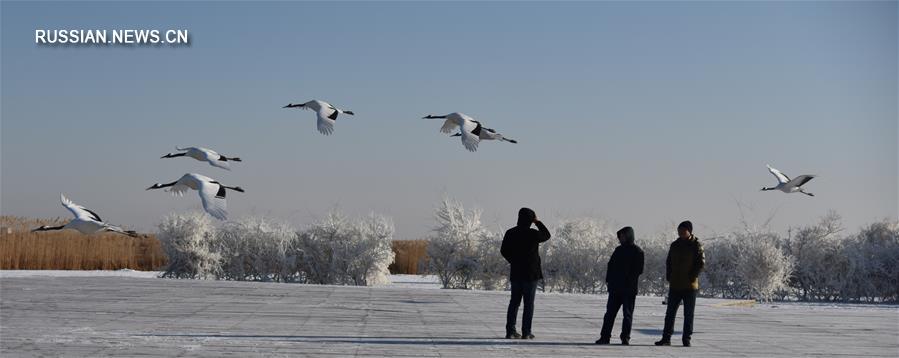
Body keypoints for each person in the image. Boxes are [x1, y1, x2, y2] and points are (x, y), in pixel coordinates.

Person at [500, 207, 551, 340]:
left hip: (516, 272)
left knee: (514, 303)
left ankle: (510, 331)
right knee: (529, 304)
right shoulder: (533, 233)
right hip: (531, 273)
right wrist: (538, 222)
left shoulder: (510, 233)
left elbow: (503, 250)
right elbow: (547, 235)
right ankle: (526, 332)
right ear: (531, 219)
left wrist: (513, 261)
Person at [655, 220, 705, 347]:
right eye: (679, 231)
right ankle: (666, 338)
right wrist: (669, 275)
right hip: (675, 284)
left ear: (689, 231)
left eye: (683, 231)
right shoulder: (674, 245)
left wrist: (692, 275)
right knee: (670, 313)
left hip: (689, 285)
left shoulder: (696, 245)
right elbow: (668, 262)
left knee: (688, 314)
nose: (681, 233)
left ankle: (686, 338)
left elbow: (701, 263)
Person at [596, 226, 644, 345]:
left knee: (627, 315)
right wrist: (609, 281)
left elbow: (638, 270)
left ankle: (625, 337)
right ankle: (605, 337)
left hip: (629, 290)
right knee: (609, 314)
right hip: (615, 289)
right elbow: (610, 265)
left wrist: (627, 281)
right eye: (620, 236)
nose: (621, 238)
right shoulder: (618, 250)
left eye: (623, 236)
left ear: (628, 236)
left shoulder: (637, 251)